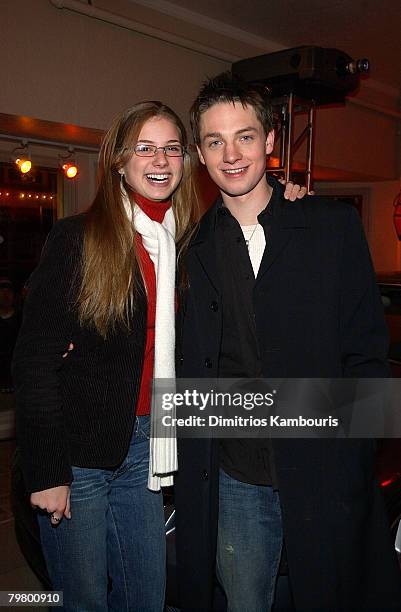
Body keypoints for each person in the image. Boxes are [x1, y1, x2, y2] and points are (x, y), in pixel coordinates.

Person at [12, 99, 303, 611]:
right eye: (145, 148)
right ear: (120, 161)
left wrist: (287, 195)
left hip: (149, 449)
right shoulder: (78, 239)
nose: (160, 160)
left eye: (171, 148)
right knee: (81, 600)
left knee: (146, 596)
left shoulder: (188, 241)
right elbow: (34, 362)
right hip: (78, 456)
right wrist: (48, 471)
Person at [174, 72, 401, 611]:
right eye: (215, 141)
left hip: (324, 472)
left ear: (271, 140)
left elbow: (366, 353)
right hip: (236, 481)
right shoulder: (189, 249)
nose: (232, 154)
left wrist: (354, 457)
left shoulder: (330, 227)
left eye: (245, 136)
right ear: (200, 156)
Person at [0, 277, 21, 389]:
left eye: (8, 291)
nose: (5, 295)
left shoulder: (22, 320)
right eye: (1, 291)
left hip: (16, 382)